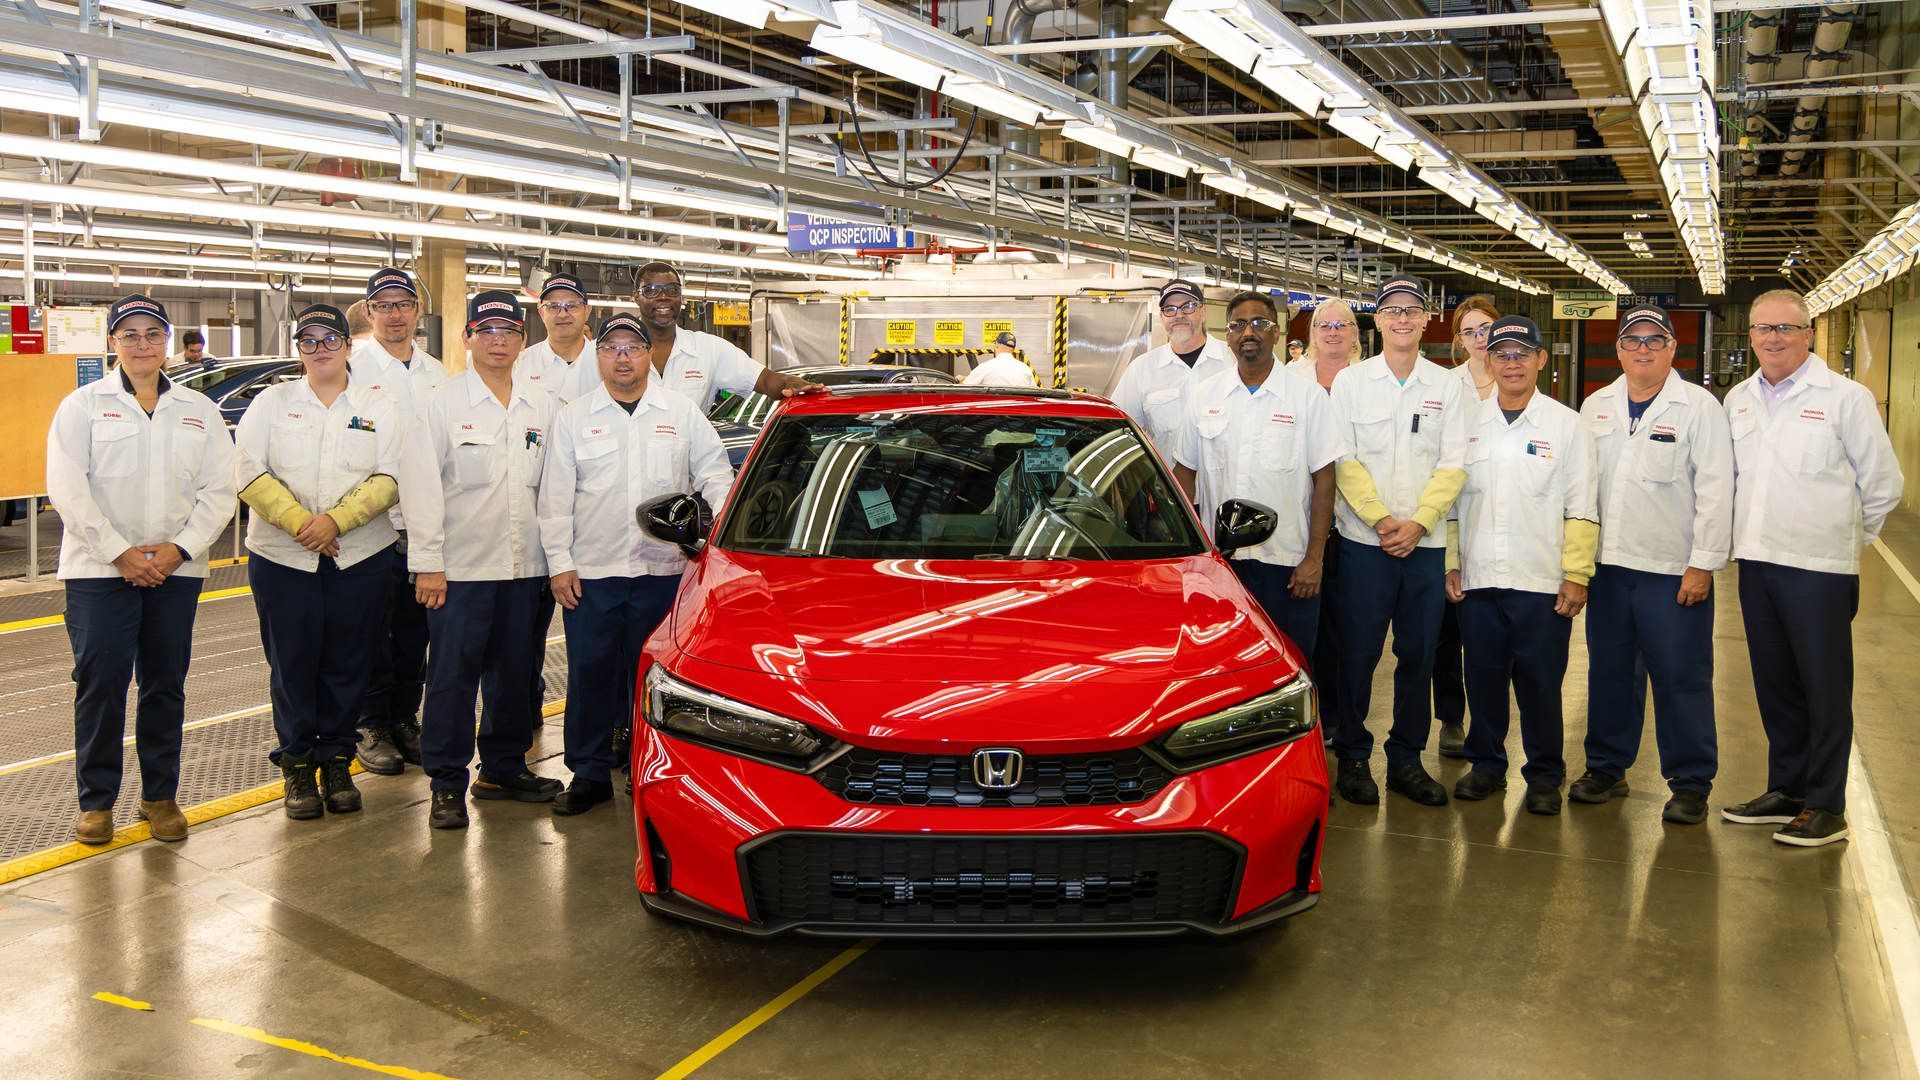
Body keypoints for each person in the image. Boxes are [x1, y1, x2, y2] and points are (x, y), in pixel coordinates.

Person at [46, 295, 236, 845]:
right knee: (100, 683)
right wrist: (118, 552)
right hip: (97, 570)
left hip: (176, 569)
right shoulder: (81, 406)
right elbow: (67, 488)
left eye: (152, 334)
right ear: (112, 343)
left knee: (164, 683)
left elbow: (219, 489)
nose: (141, 344)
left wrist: (180, 549)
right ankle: (96, 802)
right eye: (129, 334)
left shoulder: (197, 411)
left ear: (167, 342)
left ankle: (160, 796)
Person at [1720, 289, 1903, 847]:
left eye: (1786, 327)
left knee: (1824, 688)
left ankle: (1826, 804)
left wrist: (1845, 541)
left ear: (1808, 333)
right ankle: (1789, 789)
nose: (1773, 337)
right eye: (1762, 328)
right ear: (1749, 336)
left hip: (1818, 570)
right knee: (1775, 686)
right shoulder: (1739, 399)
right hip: (1757, 563)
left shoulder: (1846, 398)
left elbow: (1882, 485)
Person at [538, 312, 735, 814]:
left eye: (633, 347)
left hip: (664, 573)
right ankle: (587, 772)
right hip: (594, 573)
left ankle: (649, 769)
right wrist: (560, 564)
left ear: (649, 353)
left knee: (654, 678)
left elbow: (715, 475)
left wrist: (717, 540)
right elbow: (555, 498)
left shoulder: (682, 413)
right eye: (611, 348)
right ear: (598, 355)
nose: (622, 357)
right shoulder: (574, 416)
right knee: (588, 673)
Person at [399, 291, 563, 830]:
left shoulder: (543, 403)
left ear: (523, 339)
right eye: (487, 330)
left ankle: (502, 769)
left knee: (516, 674)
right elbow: (420, 487)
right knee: (452, 679)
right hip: (460, 571)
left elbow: (556, 487)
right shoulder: (441, 404)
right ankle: (446, 781)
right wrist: (427, 563)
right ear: (468, 337)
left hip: (526, 569)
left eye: (509, 331)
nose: (499, 340)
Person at [234, 304, 403, 820]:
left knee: (349, 663)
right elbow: (246, 469)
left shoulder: (381, 404)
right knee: (292, 666)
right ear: (299, 350)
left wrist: (336, 522)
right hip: (283, 559)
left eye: (330, 339)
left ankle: (337, 761)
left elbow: (392, 476)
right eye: (309, 341)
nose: (320, 349)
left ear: (348, 346)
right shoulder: (271, 402)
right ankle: (298, 768)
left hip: (360, 558)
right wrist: (301, 524)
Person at [1572, 304, 1732, 825]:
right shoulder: (1596, 406)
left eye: (1654, 340)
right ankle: (1606, 767)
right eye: (1633, 341)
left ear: (1672, 349)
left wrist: (1702, 564)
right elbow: (1579, 488)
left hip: (1672, 571)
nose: (1642, 349)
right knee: (1611, 673)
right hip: (1610, 568)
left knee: (1681, 677)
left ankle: (1689, 782)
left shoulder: (1699, 408)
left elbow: (1716, 489)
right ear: (1619, 349)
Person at [1445, 316, 1598, 816]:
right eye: (1502, 353)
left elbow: (1581, 505)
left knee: (1540, 685)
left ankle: (1544, 776)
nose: (1511, 362)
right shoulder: (1466, 425)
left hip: (1540, 581)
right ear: (1487, 361)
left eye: (1521, 353)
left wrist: (1577, 574)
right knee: (1483, 679)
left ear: (1540, 360)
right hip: (1480, 578)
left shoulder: (1566, 425)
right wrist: (1452, 562)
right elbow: (1449, 504)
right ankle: (1486, 766)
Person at [1327, 278, 1468, 807]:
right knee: (1358, 653)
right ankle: (1354, 756)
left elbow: (1455, 463)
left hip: (1424, 549)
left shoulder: (1446, 387)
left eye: (1412, 310)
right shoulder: (1351, 383)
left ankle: (1407, 759)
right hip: (1366, 545)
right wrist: (1384, 520)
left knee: (1419, 655)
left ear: (1427, 320)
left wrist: (1420, 523)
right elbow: (1343, 459)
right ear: (1378, 321)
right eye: (1392, 311)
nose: (1403, 319)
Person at [1170, 292, 1341, 659]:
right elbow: (1184, 472)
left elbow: (1325, 480)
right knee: (1221, 665)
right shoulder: (1204, 396)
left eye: (1259, 323)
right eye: (1239, 324)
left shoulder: (1307, 398)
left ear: (1276, 333)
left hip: (1288, 565)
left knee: (1291, 663)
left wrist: (1315, 558)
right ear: (1228, 335)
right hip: (1220, 567)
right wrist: (1188, 555)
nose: (1249, 331)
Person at [350, 267, 449, 777]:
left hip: (424, 525)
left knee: (415, 632)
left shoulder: (437, 373)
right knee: (373, 630)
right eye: (383, 305)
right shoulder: (353, 370)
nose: (394, 314)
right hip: (371, 524)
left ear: (416, 313)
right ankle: (371, 723)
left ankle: (405, 717)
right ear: (369, 313)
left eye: (403, 304)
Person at [1287, 299, 1363, 746]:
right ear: (1312, 332)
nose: (1333, 332)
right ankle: (1304, 716)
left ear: (1356, 333)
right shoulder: (1291, 380)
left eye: (1343, 325)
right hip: (1303, 525)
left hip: (1355, 526)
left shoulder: (1371, 380)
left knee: (1346, 628)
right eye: (1324, 325)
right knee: (1303, 631)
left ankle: (1337, 716)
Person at [1432, 295, 1501, 758]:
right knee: (1445, 630)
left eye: (1487, 330)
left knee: (1488, 632)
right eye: (1471, 332)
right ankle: (1451, 719)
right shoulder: (1443, 385)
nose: (1480, 340)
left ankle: (1489, 719)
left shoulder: (1517, 379)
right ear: (1459, 340)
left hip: (1498, 516)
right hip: (1446, 516)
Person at [634, 261, 816, 411]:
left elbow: (765, 380)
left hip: (690, 455)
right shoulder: (613, 352)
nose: (664, 296)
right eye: (651, 290)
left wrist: (789, 382)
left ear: (681, 296)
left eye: (672, 289)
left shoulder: (708, 349)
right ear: (636, 296)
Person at [1109, 279, 1233, 455]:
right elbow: (1120, 431)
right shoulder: (1141, 370)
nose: (1179, 315)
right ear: (1161, 317)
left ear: (1203, 312)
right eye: (1170, 309)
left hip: (1222, 482)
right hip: (1168, 481)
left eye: (1188, 306)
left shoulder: (1232, 359)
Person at [517, 271, 599, 404]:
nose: (562, 314)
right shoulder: (521, 365)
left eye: (572, 306)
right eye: (553, 306)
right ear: (541, 312)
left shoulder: (606, 364)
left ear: (587, 311)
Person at [962, 331, 1040, 388]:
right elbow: (1034, 391)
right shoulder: (1025, 369)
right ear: (1013, 349)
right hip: (1018, 409)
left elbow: (965, 386)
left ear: (996, 345)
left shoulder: (986, 367)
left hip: (994, 409)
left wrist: (960, 379)